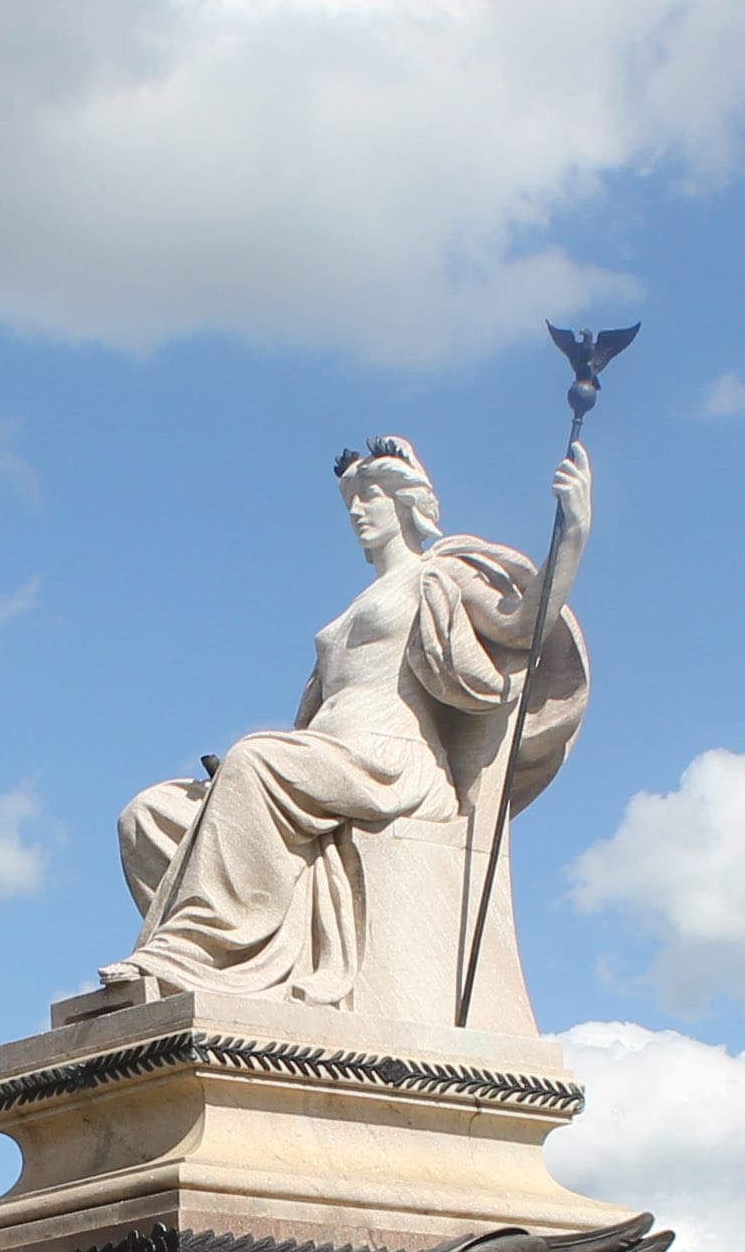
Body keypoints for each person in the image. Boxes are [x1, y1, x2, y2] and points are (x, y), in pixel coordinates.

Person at [102, 436, 594, 1020]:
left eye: (372, 497)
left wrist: (571, 535)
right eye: (352, 502)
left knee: (255, 760)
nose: (359, 512)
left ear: (407, 504)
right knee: (151, 814)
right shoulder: (357, 602)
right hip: (325, 759)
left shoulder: (434, 577)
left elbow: (521, 624)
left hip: (389, 761)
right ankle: (243, 963)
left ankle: (194, 948)